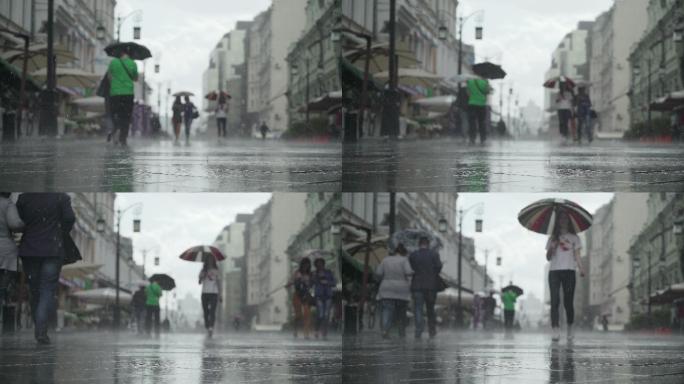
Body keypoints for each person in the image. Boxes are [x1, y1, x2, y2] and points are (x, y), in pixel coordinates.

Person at [16, 193, 75, 345]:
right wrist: (60, 231)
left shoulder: (24, 198)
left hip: (29, 248)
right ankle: (41, 332)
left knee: (34, 290)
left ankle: (39, 328)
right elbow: (69, 219)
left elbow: (19, 220)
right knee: (47, 290)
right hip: (52, 249)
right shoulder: (61, 197)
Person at [546, 211, 586, 342]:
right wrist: (552, 247)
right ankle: (555, 329)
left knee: (568, 302)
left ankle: (569, 327)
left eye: (565, 218)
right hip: (554, 272)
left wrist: (581, 268)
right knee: (555, 301)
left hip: (569, 271)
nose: (563, 220)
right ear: (558, 221)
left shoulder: (574, 238)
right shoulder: (552, 238)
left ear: (568, 221)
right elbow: (547, 257)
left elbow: (578, 255)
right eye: (561, 218)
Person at [375, 243, 413, 339]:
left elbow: (378, 273)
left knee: (387, 310)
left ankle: (385, 330)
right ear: (403, 253)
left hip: (387, 288)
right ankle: (401, 331)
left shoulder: (385, 260)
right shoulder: (404, 260)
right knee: (401, 311)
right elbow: (408, 272)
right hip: (401, 289)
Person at [409, 236, 442, 339]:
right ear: (428, 244)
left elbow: (411, 267)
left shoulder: (413, 255)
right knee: (430, 309)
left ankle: (418, 330)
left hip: (417, 285)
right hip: (431, 286)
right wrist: (432, 274)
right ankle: (431, 330)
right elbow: (439, 267)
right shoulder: (434, 254)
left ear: (419, 244)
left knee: (418, 308)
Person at [107, 48, 138, 146]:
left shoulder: (113, 62)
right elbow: (135, 78)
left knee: (115, 114)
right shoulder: (133, 63)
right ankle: (123, 138)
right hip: (128, 94)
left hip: (115, 93)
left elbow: (109, 77)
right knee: (126, 116)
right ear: (129, 54)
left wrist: (115, 83)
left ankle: (116, 128)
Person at [0, 193, 23, 319]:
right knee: (2, 287)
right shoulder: (7, 203)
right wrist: (25, 226)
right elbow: (15, 224)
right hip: (4, 252)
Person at [312, 257, 336, 339]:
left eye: (321, 264)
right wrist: (316, 277)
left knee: (326, 315)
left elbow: (334, 283)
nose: (320, 266)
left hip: (328, 296)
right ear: (316, 266)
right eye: (318, 265)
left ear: (323, 264)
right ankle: (316, 330)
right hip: (319, 296)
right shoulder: (314, 273)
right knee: (321, 314)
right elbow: (311, 283)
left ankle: (324, 331)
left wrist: (327, 282)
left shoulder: (328, 272)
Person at [290, 257, 313, 339]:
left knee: (307, 314)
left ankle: (306, 333)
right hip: (298, 295)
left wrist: (308, 283)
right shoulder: (297, 273)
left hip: (306, 295)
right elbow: (296, 284)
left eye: (307, 264)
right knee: (298, 315)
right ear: (302, 265)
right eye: (304, 264)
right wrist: (298, 280)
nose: (306, 266)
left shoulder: (310, 274)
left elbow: (311, 284)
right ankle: (295, 330)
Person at [199, 255, 221, 338]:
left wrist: (220, 294)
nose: (210, 261)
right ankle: (207, 326)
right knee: (206, 312)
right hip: (205, 293)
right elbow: (199, 282)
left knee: (212, 311)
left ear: (213, 261)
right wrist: (202, 276)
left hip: (214, 293)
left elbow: (219, 283)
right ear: (206, 261)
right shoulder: (203, 271)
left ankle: (211, 327)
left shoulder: (216, 271)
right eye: (208, 260)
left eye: (211, 260)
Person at [465, 77, 491, 144]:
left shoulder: (469, 81)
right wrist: (487, 84)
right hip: (481, 104)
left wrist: (473, 95)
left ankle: (472, 138)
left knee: (472, 122)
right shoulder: (484, 81)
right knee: (481, 122)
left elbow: (468, 93)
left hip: (472, 104)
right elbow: (487, 91)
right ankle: (482, 138)